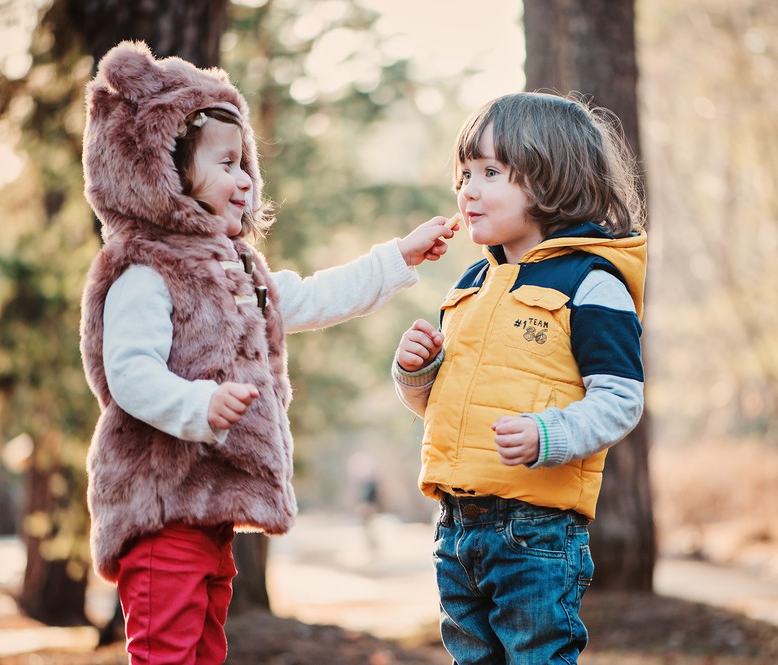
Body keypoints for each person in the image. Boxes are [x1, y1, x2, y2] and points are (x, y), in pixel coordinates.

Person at [78, 41, 455, 665]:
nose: (247, 179)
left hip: (210, 514)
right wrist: (199, 404)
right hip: (159, 511)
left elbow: (313, 295)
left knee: (205, 650)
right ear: (163, 173)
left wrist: (398, 257)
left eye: (245, 163)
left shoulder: (239, 274)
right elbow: (129, 374)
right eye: (226, 163)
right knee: (165, 652)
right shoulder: (144, 275)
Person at [392, 91, 647, 664]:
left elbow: (620, 399)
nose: (468, 190)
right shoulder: (471, 284)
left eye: (490, 173)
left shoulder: (591, 282)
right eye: (464, 174)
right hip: (456, 526)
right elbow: (443, 405)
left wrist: (548, 435)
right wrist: (415, 372)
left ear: (549, 179)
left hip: (536, 530)